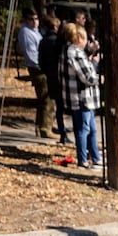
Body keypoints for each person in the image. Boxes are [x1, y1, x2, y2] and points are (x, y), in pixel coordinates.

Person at [58, 23, 100, 171]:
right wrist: (95, 64)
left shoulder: (67, 51)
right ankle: (83, 160)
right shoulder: (74, 53)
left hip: (80, 97)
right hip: (82, 97)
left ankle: (96, 158)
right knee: (83, 129)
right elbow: (87, 77)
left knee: (92, 129)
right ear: (79, 38)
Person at [16, 11, 50, 138]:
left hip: (41, 67)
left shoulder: (35, 31)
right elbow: (32, 55)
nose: (35, 21)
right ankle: (44, 128)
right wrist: (42, 67)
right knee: (46, 97)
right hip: (37, 69)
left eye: (36, 18)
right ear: (25, 20)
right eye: (31, 19)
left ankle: (42, 127)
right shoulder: (26, 33)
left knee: (44, 98)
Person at [36, 15, 68, 145]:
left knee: (57, 106)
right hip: (60, 77)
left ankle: (61, 132)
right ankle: (62, 132)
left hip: (50, 76)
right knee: (59, 106)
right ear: (55, 27)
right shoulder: (58, 43)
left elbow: (41, 61)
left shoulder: (43, 41)